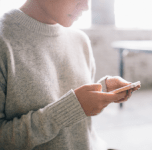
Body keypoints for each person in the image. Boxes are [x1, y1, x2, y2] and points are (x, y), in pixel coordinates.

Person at [0, 0, 140, 149]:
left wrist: (102, 90)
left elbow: (81, 124)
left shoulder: (80, 40)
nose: (86, 7)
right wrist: (69, 110)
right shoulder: (4, 41)